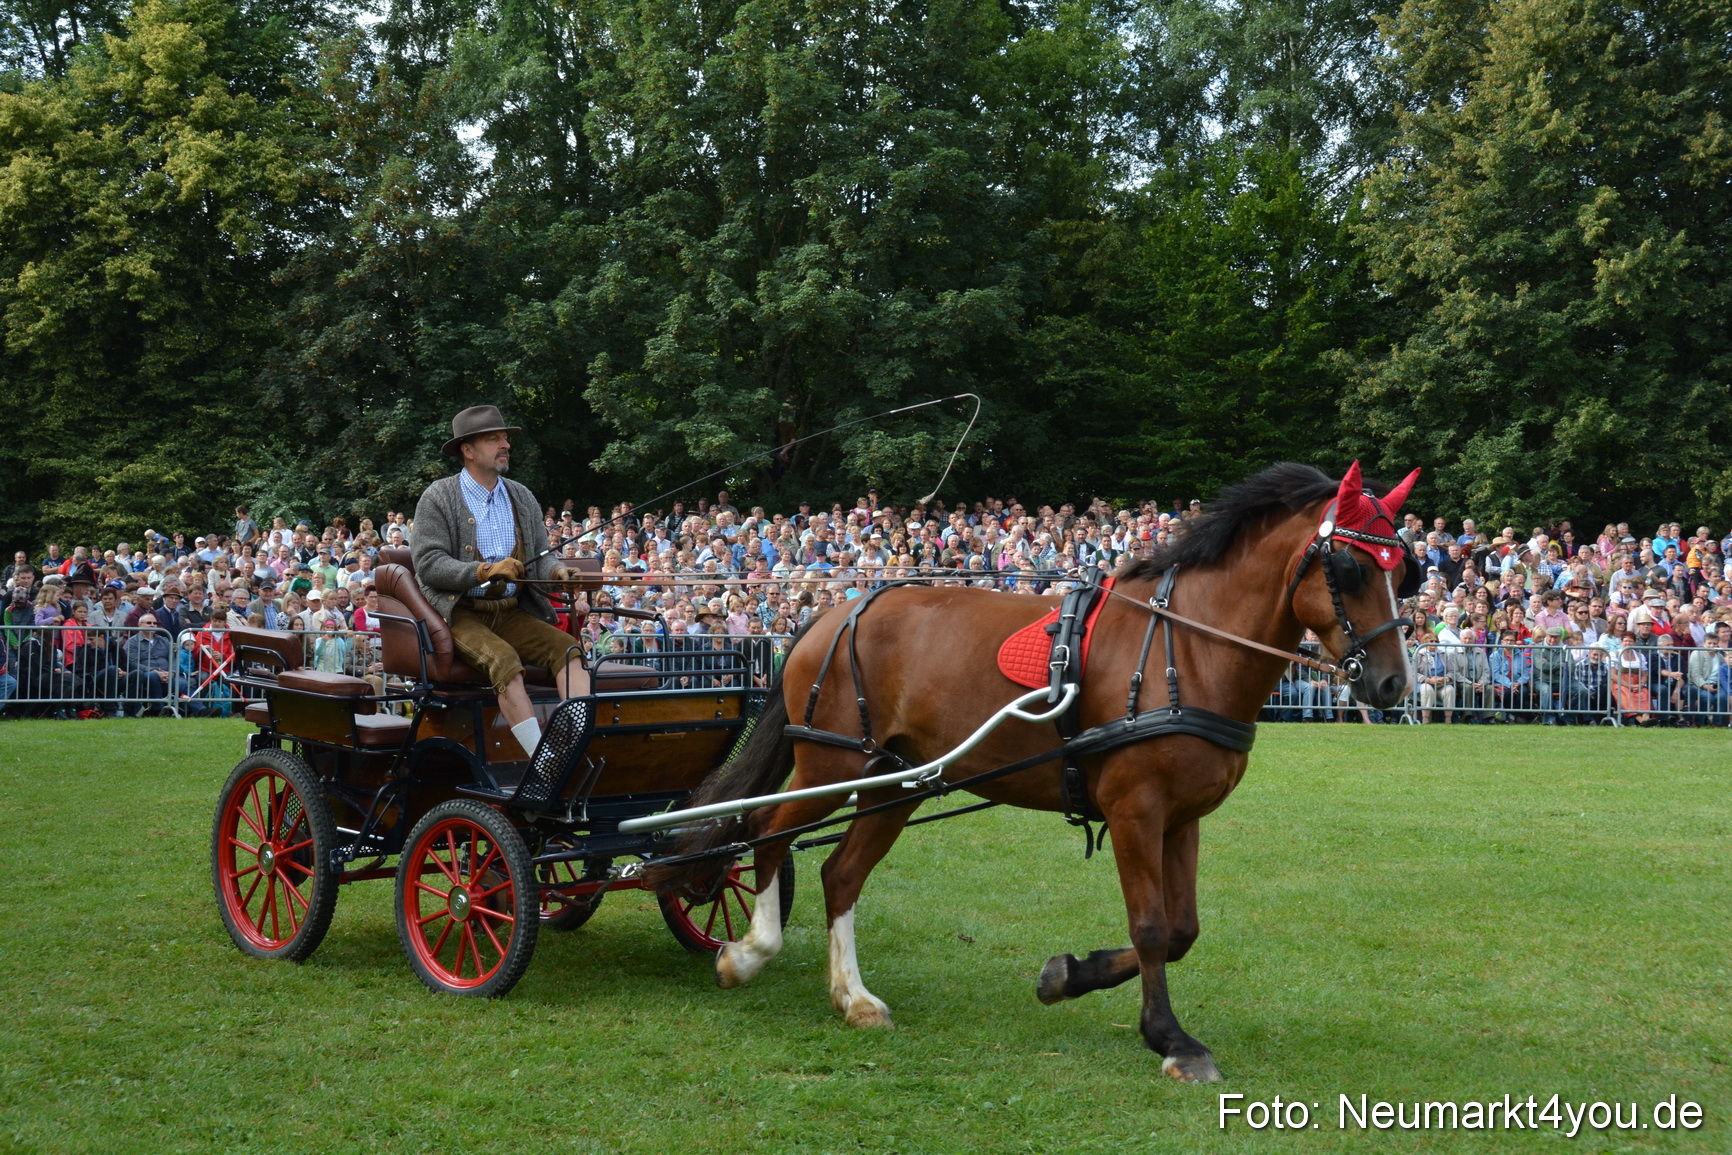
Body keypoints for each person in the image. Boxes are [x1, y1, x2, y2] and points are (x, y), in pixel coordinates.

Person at [412, 405, 591, 759]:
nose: (504, 444)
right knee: (505, 662)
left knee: (569, 650)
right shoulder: (438, 496)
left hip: (510, 610)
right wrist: (483, 571)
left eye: (505, 437)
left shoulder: (521, 496)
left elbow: (542, 556)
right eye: (493, 438)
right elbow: (429, 564)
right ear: (467, 449)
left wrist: (559, 575)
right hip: (461, 612)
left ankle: (575, 745)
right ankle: (542, 762)